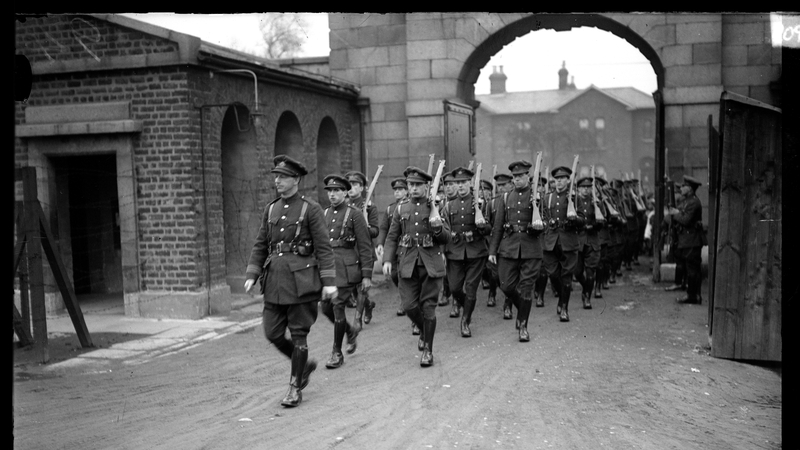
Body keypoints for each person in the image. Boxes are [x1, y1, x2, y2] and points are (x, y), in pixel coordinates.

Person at [243, 155, 337, 408]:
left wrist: (329, 281)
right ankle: (303, 365)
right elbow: (262, 243)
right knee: (272, 332)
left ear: (296, 180)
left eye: (283, 177)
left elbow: (324, 248)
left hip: (302, 282)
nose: (278, 181)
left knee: (299, 336)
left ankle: (295, 386)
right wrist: (252, 273)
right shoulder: (271, 209)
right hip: (274, 281)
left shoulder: (311, 209)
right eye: (276, 176)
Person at [383, 166, 451, 366]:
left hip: (430, 263)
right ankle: (424, 330)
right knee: (409, 306)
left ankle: (428, 350)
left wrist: (437, 227)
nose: (413, 189)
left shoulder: (435, 206)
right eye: (411, 185)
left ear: (426, 186)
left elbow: (446, 238)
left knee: (428, 308)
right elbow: (392, 236)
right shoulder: (401, 208)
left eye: (418, 185)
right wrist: (387, 259)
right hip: (407, 263)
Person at [319, 174, 374, 369]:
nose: (332, 195)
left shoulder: (354, 214)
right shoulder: (323, 214)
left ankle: (336, 352)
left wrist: (367, 275)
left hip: (346, 267)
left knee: (337, 306)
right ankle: (350, 331)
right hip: (328, 267)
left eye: (337, 191)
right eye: (330, 191)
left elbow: (365, 246)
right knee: (325, 308)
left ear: (345, 192)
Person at [488, 160, 544, 341]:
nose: (518, 179)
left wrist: (538, 225)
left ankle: (523, 326)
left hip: (531, 248)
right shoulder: (505, 198)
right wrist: (492, 251)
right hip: (508, 248)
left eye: (521, 176)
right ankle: (523, 311)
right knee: (506, 285)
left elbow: (547, 223)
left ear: (528, 176)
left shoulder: (537, 197)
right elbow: (497, 227)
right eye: (515, 177)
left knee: (526, 288)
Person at [441, 167, 492, 337]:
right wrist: (442, 251)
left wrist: (482, 226)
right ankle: (467, 306)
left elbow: (489, 229)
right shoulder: (448, 206)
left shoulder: (481, 204)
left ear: (470, 183)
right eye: (458, 183)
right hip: (455, 252)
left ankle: (466, 321)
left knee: (471, 289)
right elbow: (444, 230)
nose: (461, 186)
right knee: (455, 288)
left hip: (476, 252)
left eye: (464, 182)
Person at [541, 166, 584, 322]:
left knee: (566, 276)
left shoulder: (575, 197)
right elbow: (544, 217)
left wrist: (574, 219)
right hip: (551, 241)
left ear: (568, 180)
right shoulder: (548, 198)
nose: (559, 182)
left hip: (568, 241)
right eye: (556, 179)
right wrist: (548, 224)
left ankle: (564, 307)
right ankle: (561, 299)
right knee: (553, 274)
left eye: (562, 179)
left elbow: (582, 220)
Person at [344, 171, 379, 325]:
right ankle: (368, 305)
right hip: (349, 252)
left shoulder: (369, 207)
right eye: (348, 185)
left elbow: (375, 231)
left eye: (354, 184)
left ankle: (357, 319)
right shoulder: (343, 207)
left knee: (362, 287)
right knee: (352, 286)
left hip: (365, 251)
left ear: (362, 188)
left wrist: (364, 224)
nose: (351, 188)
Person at [668, 175, 705, 304]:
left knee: (692, 270)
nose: (682, 188)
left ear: (690, 189)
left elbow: (686, 220)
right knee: (692, 269)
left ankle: (693, 296)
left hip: (692, 240)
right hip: (687, 240)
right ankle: (694, 295)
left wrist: (675, 213)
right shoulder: (687, 201)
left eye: (684, 186)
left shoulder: (694, 202)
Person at [376, 177, 409, 316]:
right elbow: (384, 228)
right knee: (395, 275)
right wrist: (380, 243)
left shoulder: (410, 206)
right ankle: (405, 297)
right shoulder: (390, 209)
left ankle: (406, 301)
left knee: (405, 275)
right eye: (395, 190)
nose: (397, 192)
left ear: (406, 191)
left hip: (407, 247)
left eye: (400, 189)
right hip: (393, 247)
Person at [574, 176, 602, 309]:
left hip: (592, 240)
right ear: (578, 189)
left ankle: (587, 297)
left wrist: (594, 225)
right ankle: (586, 287)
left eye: (588, 187)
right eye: (583, 187)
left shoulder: (596, 202)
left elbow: (603, 221)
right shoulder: (573, 202)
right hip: (578, 241)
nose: (586, 190)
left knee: (591, 273)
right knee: (577, 272)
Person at [490, 172, 514, 319]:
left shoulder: (514, 201)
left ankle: (508, 304)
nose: (501, 188)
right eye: (499, 185)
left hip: (509, 245)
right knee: (496, 276)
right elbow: (489, 224)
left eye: (504, 185)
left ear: (511, 184)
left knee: (509, 278)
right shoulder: (492, 203)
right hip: (495, 244)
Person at [478, 178, 499, 307]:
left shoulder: (493, 204)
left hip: (491, 239)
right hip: (479, 240)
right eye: (481, 189)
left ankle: (492, 293)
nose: (483, 192)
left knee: (493, 270)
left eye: (486, 190)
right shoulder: (476, 203)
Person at [439, 172, 458, 310]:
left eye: (451, 184)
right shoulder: (440, 204)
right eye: (446, 185)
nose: (448, 188)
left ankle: (456, 302)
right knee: (446, 270)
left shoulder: (462, 202)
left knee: (457, 274)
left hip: (460, 242)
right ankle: (446, 292)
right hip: (445, 242)